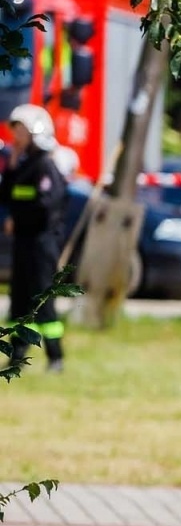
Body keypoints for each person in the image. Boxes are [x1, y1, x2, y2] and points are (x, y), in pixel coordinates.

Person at [2, 104, 69, 373]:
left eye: (21, 131)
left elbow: (46, 206)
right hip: (23, 241)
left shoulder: (45, 166)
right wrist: (11, 165)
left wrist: (19, 219)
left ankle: (56, 357)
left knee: (42, 299)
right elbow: (6, 195)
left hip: (42, 242)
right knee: (20, 299)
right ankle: (17, 355)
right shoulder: (21, 165)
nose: (16, 137)